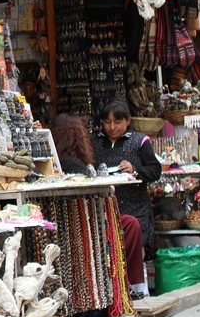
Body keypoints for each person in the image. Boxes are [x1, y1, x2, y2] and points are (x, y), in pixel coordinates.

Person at [51, 112, 148, 300]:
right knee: (129, 224)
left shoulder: (66, 162)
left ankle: (129, 285)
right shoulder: (73, 163)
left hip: (86, 221)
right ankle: (129, 285)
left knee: (130, 223)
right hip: (86, 225)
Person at [92, 99, 163, 297]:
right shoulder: (95, 141)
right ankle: (113, 294)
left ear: (128, 121)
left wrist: (135, 170)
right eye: (107, 122)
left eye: (117, 122)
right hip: (105, 208)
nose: (112, 127)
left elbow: (155, 170)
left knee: (132, 251)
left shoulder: (139, 141)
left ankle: (136, 291)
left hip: (135, 207)